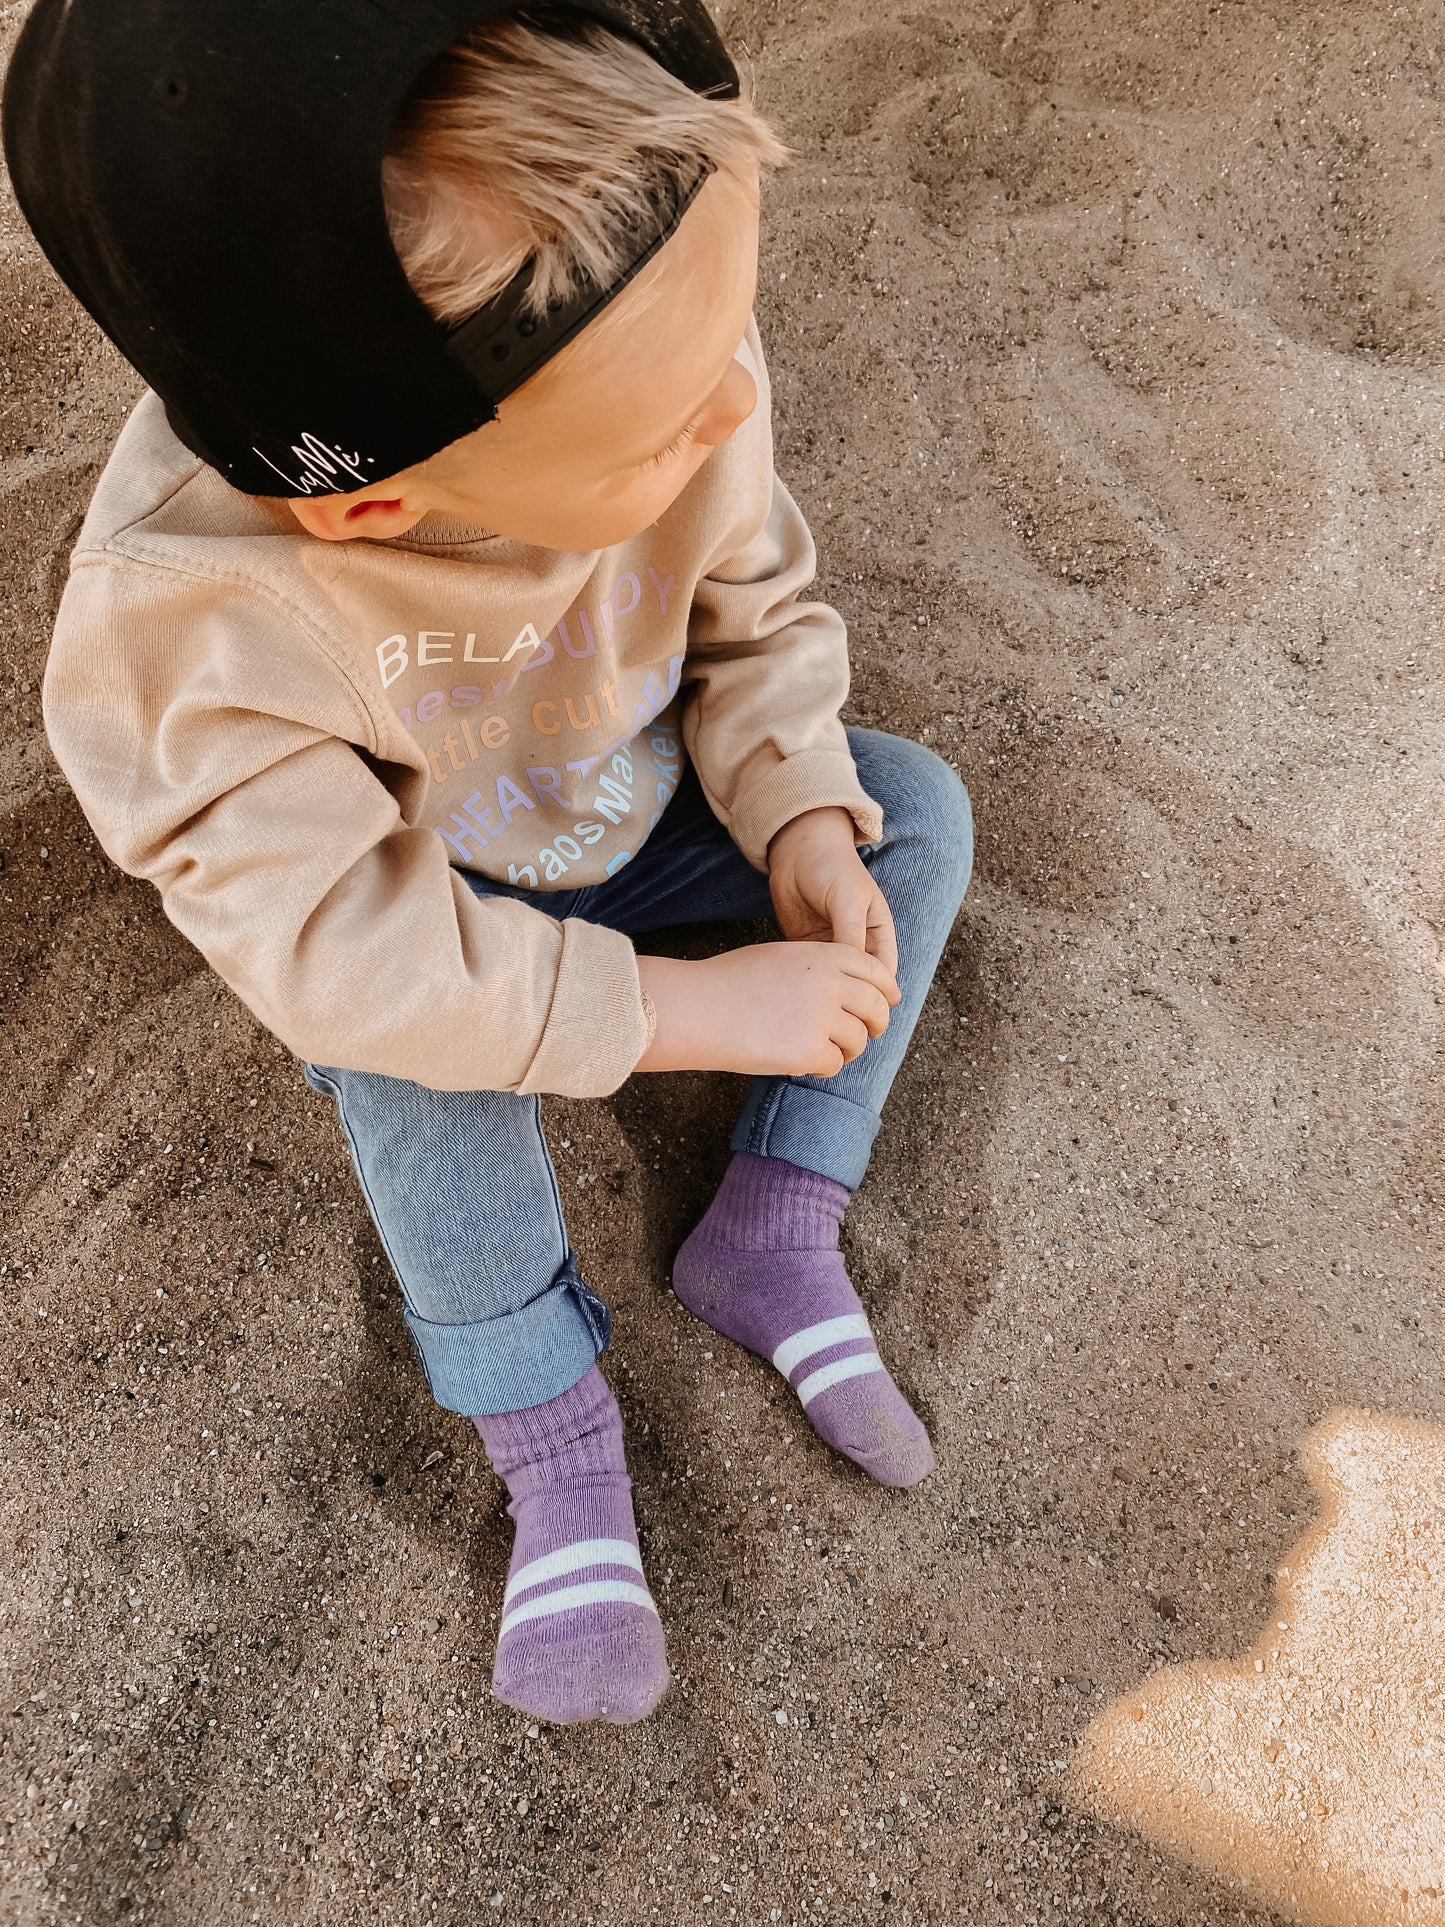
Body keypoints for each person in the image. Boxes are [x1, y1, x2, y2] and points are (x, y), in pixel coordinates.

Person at [4, 0, 973, 1726]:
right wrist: (683, 1010)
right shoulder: (191, 629)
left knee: (915, 807)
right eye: (672, 416)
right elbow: (344, 955)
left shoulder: (658, 367)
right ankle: (553, 1435)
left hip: (632, 812)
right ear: (373, 505)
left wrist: (799, 820)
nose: (734, 406)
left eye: (728, 341)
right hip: (428, 908)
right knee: (407, 1070)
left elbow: (758, 612)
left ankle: (773, 1216)